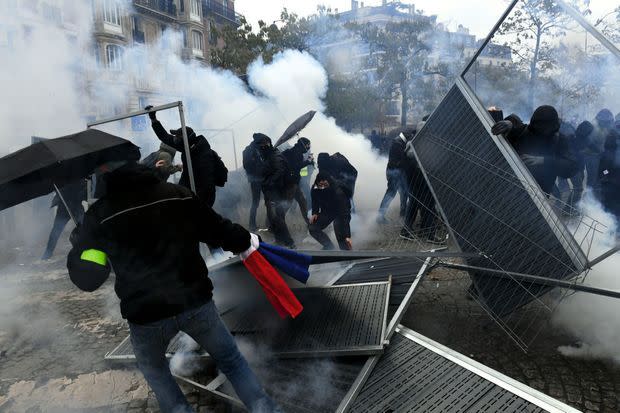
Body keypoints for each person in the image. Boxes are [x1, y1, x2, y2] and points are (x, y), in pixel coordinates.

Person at [66, 162, 280, 413]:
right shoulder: (177, 194)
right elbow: (220, 231)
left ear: (109, 180)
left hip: (146, 315)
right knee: (232, 361)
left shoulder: (100, 215)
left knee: (157, 373)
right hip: (195, 303)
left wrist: (79, 245)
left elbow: (89, 280)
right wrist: (246, 239)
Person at [145, 106, 227, 207]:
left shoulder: (203, 156)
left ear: (185, 139)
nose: (174, 139)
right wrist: (154, 119)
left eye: (177, 137)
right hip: (188, 189)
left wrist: (197, 202)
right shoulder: (187, 147)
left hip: (202, 197)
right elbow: (164, 137)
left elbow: (206, 184)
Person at [491, 105, 578, 195]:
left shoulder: (560, 141)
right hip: (509, 185)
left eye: (543, 127)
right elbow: (511, 125)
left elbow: (572, 167)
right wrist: (509, 122)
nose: (539, 129)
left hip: (538, 194)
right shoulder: (525, 131)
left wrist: (543, 160)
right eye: (537, 125)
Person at [255, 134, 296, 248]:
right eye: (259, 145)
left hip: (276, 192)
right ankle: (279, 240)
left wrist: (268, 183)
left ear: (267, 143)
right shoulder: (268, 156)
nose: (260, 147)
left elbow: (279, 172)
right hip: (272, 192)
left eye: (262, 144)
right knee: (274, 218)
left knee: (276, 218)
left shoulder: (275, 156)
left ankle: (290, 243)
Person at [41, 179, 87, 260]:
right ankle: (48, 253)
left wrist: (81, 194)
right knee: (56, 231)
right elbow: (56, 187)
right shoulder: (60, 176)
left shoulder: (79, 176)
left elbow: (84, 189)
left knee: (83, 229)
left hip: (76, 206)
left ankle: (86, 249)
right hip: (63, 206)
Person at [309, 172, 352, 250]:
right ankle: (329, 247)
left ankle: (347, 257)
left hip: (341, 211)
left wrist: (347, 235)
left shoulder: (338, 191)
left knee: (340, 232)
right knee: (313, 227)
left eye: (325, 185)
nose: (323, 187)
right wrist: (315, 213)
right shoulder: (315, 187)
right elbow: (315, 200)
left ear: (329, 182)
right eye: (320, 185)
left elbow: (344, 214)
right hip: (327, 211)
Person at [377, 130, 408, 222]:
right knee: (391, 193)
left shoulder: (398, 142)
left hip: (397, 172)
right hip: (395, 172)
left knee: (404, 193)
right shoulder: (398, 144)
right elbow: (400, 160)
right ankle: (380, 216)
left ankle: (403, 214)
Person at [282, 137, 313, 225]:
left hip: (294, 182)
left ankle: (309, 223)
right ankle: (275, 224)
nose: (308, 147)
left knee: (302, 201)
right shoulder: (296, 153)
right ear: (303, 144)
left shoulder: (295, 151)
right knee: (287, 204)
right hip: (291, 183)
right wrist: (308, 161)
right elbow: (295, 167)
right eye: (307, 145)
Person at [584, 109, 615, 194]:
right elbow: (589, 143)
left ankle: (591, 195)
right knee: (593, 179)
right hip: (593, 158)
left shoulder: (603, 128)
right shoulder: (594, 128)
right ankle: (589, 197)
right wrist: (600, 151)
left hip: (598, 158)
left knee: (600, 175)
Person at [243, 134, 269, 231]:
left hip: (261, 178)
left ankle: (266, 223)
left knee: (266, 201)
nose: (264, 144)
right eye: (263, 142)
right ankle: (252, 225)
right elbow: (248, 165)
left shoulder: (257, 149)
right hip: (256, 179)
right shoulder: (250, 150)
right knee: (256, 202)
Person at [599, 128, 620, 219]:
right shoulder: (609, 153)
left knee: (610, 205)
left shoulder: (607, 154)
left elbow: (604, 169)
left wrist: (606, 173)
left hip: (611, 182)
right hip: (612, 182)